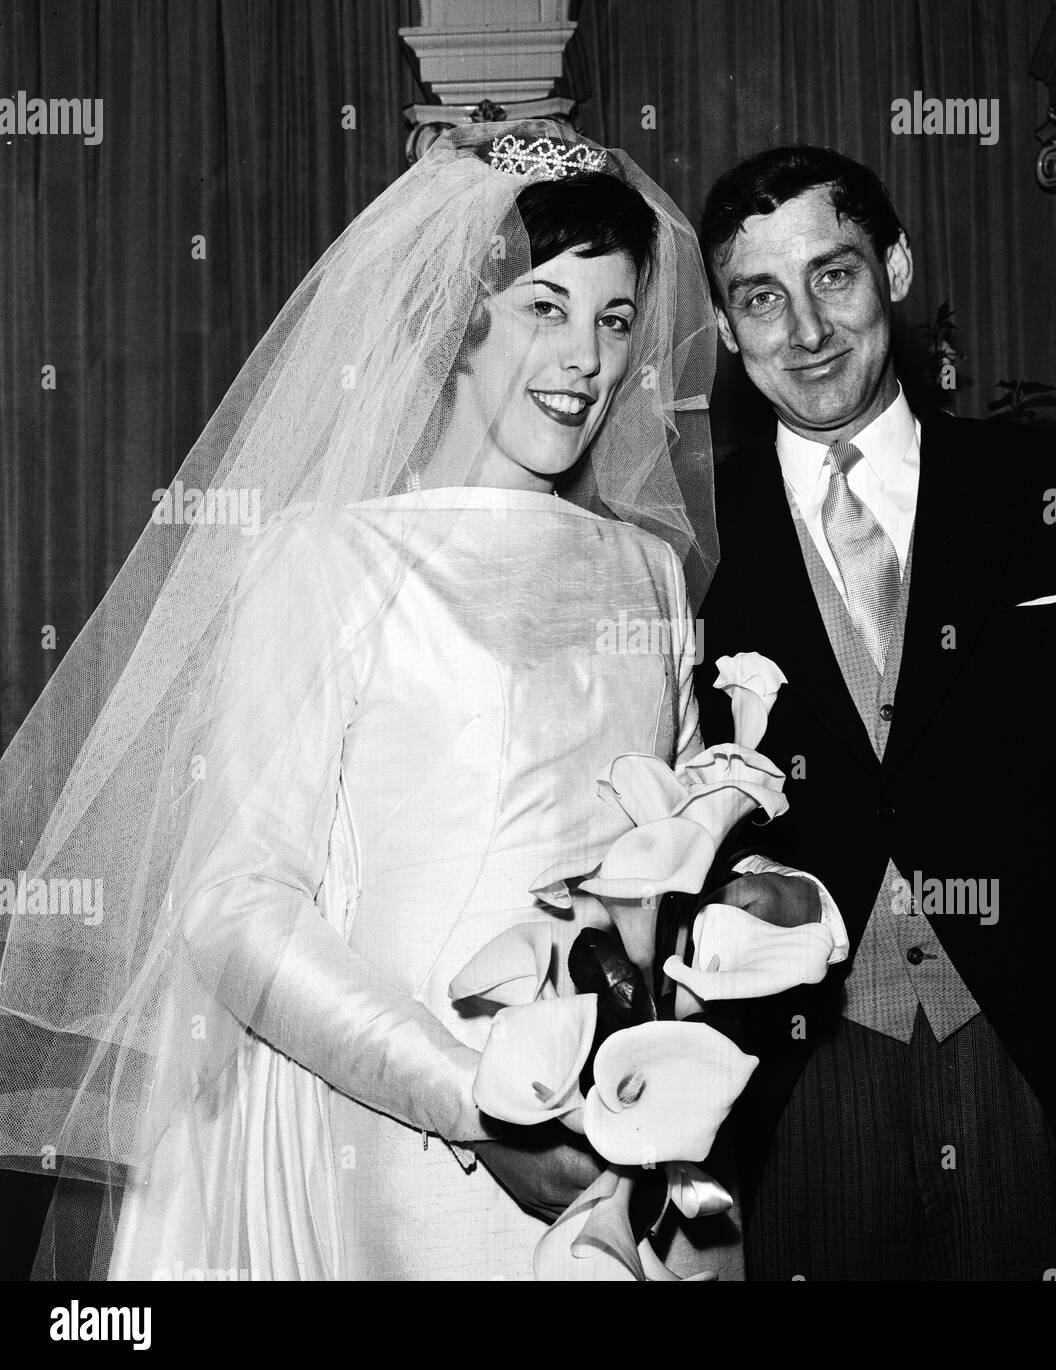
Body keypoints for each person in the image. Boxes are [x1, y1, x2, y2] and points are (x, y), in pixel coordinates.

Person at [0, 120, 727, 1280]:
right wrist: (478, 1106)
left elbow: (677, 867)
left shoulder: (644, 571)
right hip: (400, 1143)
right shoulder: (325, 559)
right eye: (546, 306)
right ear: (459, 313)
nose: (585, 359)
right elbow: (237, 904)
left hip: (628, 1134)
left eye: (615, 317)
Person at [695, 145, 1056, 1280]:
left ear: (895, 267)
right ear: (726, 329)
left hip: (1037, 1067)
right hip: (791, 1091)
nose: (807, 331)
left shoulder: (1048, 491)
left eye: (833, 276)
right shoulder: (687, 543)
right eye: (761, 298)